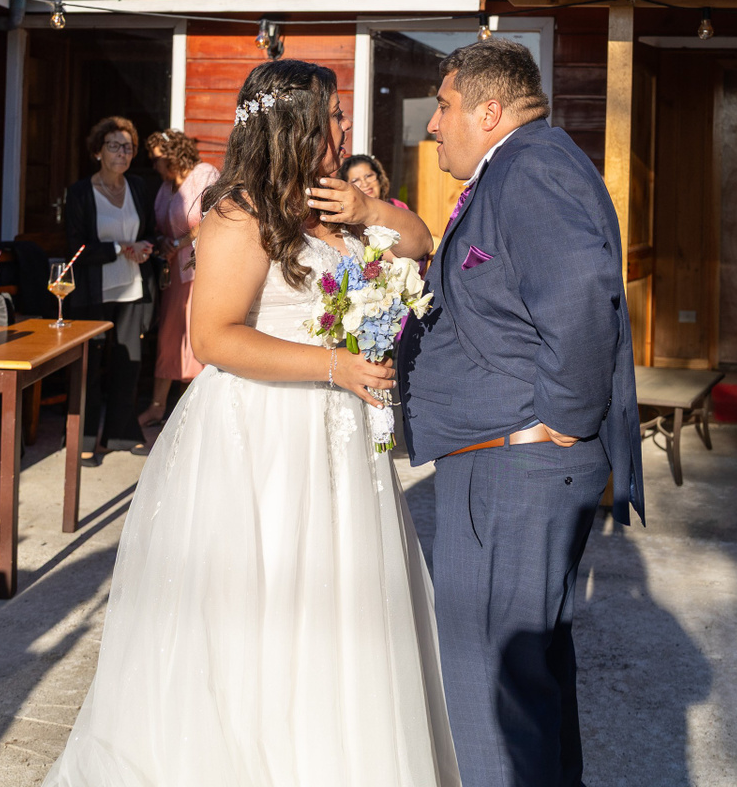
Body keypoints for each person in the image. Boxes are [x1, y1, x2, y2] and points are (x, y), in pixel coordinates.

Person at [41, 60, 448, 784]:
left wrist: (367, 210)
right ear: (295, 127)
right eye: (333, 116)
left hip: (340, 435)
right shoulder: (239, 213)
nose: (344, 127)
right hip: (265, 435)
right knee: (265, 603)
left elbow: (420, 244)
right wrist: (335, 365)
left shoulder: (337, 201)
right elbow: (214, 337)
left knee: (339, 603)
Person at [401, 37, 644, 787]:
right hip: (510, 464)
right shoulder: (525, 163)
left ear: (489, 111)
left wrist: (565, 417)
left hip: (513, 467)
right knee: (527, 680)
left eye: (444, 106)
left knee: (491, 683)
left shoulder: (529, 168)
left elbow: (580, 292)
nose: (432, 124)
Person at [63, 117, 160, 457]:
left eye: (128, 147)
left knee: (128, 364)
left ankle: (120, 435)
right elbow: (75, 249)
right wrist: (120, 248)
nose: (122, 153)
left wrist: (146, 247)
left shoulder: (138, 187)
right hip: (92, 293)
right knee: (89, 367)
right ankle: (84, 440)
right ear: (97, 152)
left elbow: (149, 231)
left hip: (132, 289)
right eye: (114, 146)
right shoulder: (80, 193)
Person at [143, 129, 218, 428]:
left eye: (157, 159)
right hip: (173, 273)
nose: (154, 166)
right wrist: (163, 241)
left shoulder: (204, 174)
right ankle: (158, 406)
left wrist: (179, 242)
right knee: (170, 337)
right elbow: (160, 225)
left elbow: (212, 216)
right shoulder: (166, 187)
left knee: (194, 337)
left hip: (200, 268)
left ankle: (190, 410)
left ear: (173, 155)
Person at [341, 152, 412, 209]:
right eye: (355, 180)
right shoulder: (346, 219)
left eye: (368, 176)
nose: (365, 184)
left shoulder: (398, 207)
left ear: (379, 177)